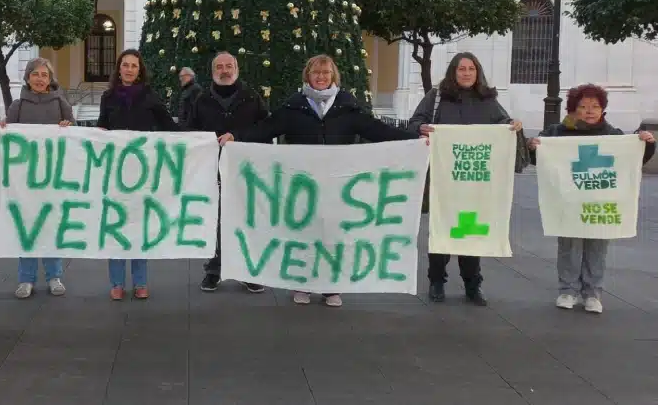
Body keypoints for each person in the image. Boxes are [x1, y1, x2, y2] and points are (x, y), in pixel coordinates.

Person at [220, 54, 418, 306]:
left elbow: (378, 130)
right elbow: (265, 129)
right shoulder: (294, 107)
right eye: (316, 73)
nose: (321, 77)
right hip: (302, 185)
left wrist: (413, 139)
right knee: (303, 234)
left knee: (333, 235)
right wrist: (236, 137)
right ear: (308, 76)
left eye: (326, 73)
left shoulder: (347, 107)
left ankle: (331, 286)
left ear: (333, 76)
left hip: (338, 186)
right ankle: (302, 284)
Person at [527, 84, 655, 314]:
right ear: (573, 109)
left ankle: (593, 293)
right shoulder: (557, 132)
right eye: (583, 106)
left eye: (595, 106)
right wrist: (533, 146)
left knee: (597, 247)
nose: (589, 111)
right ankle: (567, 290)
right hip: (569, 200)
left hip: (599, 201)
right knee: (570, 246)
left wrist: (646, 144)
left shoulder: (613, 135)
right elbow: (540, 158)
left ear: (602, 109)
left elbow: (632, 159)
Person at [408, 51, 523, 306]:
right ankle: (437, 281)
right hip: (444, 179)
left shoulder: (487, 100)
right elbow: (415, 121)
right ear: (454, 71)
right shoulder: (437, 96)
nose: (467, 73)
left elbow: (502, 123)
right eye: (462, 69)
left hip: (474, 181)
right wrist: (420, 128)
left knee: (470, 231)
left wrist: (512, 125)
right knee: (442, 227)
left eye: (471, 68)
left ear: (477, 72)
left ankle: (473, 284)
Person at [98, 49, 179, 300]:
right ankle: (117, 283)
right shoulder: (108, 97)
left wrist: (200, 137)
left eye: (134, 66)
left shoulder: (150, 97)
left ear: (139, 70)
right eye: (125, 65)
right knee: (116, 225)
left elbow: (169, 126)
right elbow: (102, 125)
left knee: (140, 227)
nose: (129, 69)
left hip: (143, 172)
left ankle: (140, 282)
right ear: (119, 69)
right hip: (115, 171)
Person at [186, 52, 269, 294]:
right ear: (213, 71)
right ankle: (214, 270)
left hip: (246, 169)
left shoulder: (252, 97)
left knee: (246, 218)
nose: (224, 70)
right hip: (212, 169)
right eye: (219, 67)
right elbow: (190, 130)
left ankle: (247, 270)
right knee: (215, 218)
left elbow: (265, 128)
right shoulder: (201, 99)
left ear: (236, 68)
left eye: (229, 66)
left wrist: (238, 137)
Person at [0, 58, 74, 299]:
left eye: (44, 75)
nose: (40, 79)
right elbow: (7, 138)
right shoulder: (17, 106)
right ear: (28, 77)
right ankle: (26, 278)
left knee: (51, 225)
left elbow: (75, 135)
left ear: (50, 79)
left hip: (53, 177)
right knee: (27, 228)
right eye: (36, 74)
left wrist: (68, 126)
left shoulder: (61, 104)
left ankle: (54, 276)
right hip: (25, 179)